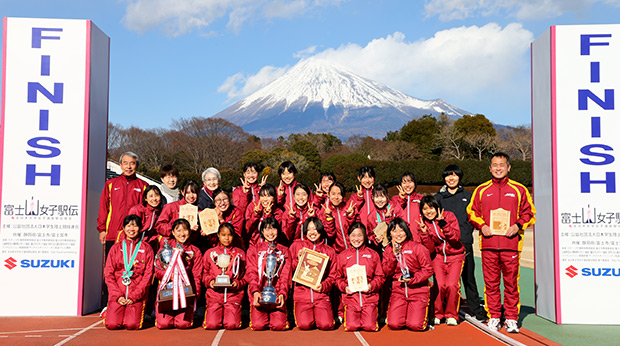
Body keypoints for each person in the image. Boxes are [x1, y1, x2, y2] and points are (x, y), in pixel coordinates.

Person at [467, 152, 536, 333]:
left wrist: (517, 225)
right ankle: (494, 316)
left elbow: (530, 212)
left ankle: (512, 318)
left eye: (502, 165)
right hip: (489, 244)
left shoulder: (519, 189)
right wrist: (482, 226)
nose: (498, 168)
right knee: (491, 283)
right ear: (490, 168)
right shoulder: (481, 190)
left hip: (511, 244)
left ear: (508, 167)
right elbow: (471, 212)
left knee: (512, 283)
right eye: (495, 165)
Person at [435, 164, 486, 321]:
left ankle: (476, 310)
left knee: (469, 279)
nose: (451, 178)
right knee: (443, 282)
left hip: (464, 245)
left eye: (454, 175)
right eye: (448, 175)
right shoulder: (438, 198)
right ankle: (440, 310)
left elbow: (476, 217)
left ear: (459, 177)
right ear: (444, 178)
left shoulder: (469, 196)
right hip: (444, 248)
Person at [417, 195, 464, 326]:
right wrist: (425, 234)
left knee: (452, 285)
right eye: (425, 209)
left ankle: (451, 315)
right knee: (439, 285)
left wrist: (443, 223)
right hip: (437, 257)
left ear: (437, 207)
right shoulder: (423, 224)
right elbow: (430, 249)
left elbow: (455, 239)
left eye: (431, 207)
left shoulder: (449, 216)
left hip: (455, 255)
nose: (429, 211)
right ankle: (438, 314)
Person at [103, 215, 154, 330]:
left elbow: (148, 275)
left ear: (140, 228)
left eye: (135, 226)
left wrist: (134, 296)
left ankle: (132, 311)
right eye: (128, 226)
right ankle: (110, 311)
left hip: (136, 295)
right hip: (118, 293)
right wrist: (117, 295)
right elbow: (109, 274)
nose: (132, 229)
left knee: (132, 325)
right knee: (112, 325)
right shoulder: (116, 248)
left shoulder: (146, 248)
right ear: (123, 228)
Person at [382, 218, 433, 331]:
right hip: (399, 292)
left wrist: (413, 279)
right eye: (394, 231)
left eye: (401, 230)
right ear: (390, 233)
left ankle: (422, 312)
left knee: (415, 325)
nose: (398, 234)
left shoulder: (418, 247)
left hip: (418, 291)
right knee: (394, 324)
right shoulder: (388, 249)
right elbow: (386, 272)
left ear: (407, 231)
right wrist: (393, 256)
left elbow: (428, 270)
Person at [335, 222, 385, 332]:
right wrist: (345, 287)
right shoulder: (342, 256)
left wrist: (371, 286)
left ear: (365, 236)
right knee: (351, 326)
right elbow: (337, 278)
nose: (356, 239)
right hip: (351, 298)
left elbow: (380, 276)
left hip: (369, 298)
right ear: (348, 237)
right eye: (353, 235)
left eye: (359, 235)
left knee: (370, 327)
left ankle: (372, 314)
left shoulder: (373, 254)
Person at [154, 219, 203, 329]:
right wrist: (169, 276)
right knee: (164, 324)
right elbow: (157, 271)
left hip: (184, 293)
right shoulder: (165, 250)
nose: (182, 234)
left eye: (185, 230)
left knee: (183, 324)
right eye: (178, 230)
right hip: (167, 290)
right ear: (172, 232)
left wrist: (195, 296)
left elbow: (197, 275)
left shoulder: (195, 251)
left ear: (190, 232)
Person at [289, 217, 337, 330]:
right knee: (304, 325)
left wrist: (323, 286)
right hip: (302, 295)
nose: (312, 232)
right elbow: (289, 270)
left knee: (326, 325)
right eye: (309, 229)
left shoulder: (329, 251)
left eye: (315, 229)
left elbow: (332, 275)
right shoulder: (296, 246)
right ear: (305, 231)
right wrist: (298, 261)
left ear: (320, 230)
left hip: (320, 295)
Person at [245, 217, 292, 331]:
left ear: (278, 230)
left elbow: (286, 276)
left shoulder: (284, 251)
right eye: (266, 229)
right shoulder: (253, 250)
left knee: (279, 326)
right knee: (258, 325)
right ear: (262, 231)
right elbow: (251, 272)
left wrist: (282, 294)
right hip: (260, 294)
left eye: (273, 229)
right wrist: (255, 292)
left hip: (276, 295)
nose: (270, 233)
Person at [97, 152, 148, 253]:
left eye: (132, 163)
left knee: (133, 266)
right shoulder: (110, 184)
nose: (128, 166)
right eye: (125, 163)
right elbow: (104, 207)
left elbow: (147, 212)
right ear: (120, 165)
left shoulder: (143, 186)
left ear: (137, 165)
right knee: (111, 265)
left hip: (134, 234)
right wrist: (102, 230)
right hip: (112, 233)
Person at [202, 223, 247, 330]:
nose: (226, 238)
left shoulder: (240, 254)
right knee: (212, 325)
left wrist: (238, 283)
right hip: (215, 295)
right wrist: (210, 282)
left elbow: (246, 275)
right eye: (223, 235)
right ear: (218, 235)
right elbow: (204, 273)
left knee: (232, 325)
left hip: (233, 295)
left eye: (229, 235)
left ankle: (232, 314)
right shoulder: (210, 253)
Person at [319, 182, 358, 253]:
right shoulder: (325, 210)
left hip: (354, 249)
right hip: (337, 252)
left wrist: (350, 216)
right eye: (333, 194)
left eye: (339, 194)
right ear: (328, 195)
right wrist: (329, 218)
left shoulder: (349, 207)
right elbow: (329, 235)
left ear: (343, 195)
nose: (336, 197)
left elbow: (356, 229)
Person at [126, 185, 164, 252]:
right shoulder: (137, 210)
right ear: (145, 198)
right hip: (136, 242)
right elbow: (130, 230)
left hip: (151, 243)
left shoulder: (161, 211)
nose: (154, 199)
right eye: (151, 196)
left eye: (157, 195)